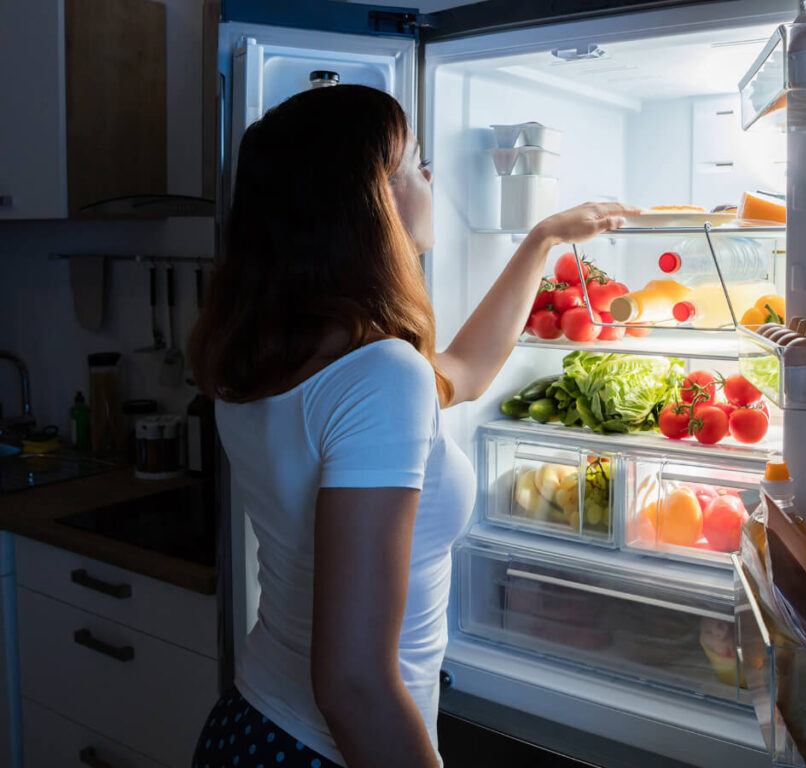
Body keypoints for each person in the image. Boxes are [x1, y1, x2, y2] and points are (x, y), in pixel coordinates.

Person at [188, 84, 638, 768]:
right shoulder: (379, 373)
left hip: (250, 725)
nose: (430, 178)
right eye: (414, 164)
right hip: (325, 749)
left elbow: (464, 369)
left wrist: (542, 238)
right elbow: (353, 685)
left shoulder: (266, 355)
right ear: (372, 200)